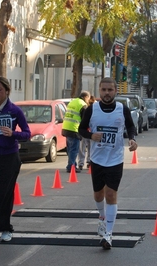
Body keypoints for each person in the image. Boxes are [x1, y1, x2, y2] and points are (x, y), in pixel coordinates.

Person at [79, 77, 137, 250]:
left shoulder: (122, 109)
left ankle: (108, 234)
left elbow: (131, 127)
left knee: (111, 194)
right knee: (98, 195)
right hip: (97, 159)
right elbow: (81, 129)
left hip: (115, 158)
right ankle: (103, 217)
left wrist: (132, 140)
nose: (106, 93)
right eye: (103, 90)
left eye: (110, 90)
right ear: (99, 91)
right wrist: (91, 136)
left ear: (115, 91)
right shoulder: (91, 110)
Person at [0, 76, 31, 242]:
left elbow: (27, 134)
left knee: (5, 193)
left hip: (10, 156)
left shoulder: (15, 111)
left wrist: (13, 134)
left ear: (7, 91)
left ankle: (5, 228)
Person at [62, 91, 91, 173]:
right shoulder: (82, 104)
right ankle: (71, 167)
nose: (88, 101)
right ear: (85, 97)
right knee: (74, 149)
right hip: (74, 129)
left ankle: (72, 165)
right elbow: (84, 119)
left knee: (70, 149)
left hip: (66, 127)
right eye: (88, 99)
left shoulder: (73, 102)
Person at [77, 95, 96, 170]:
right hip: (87, 131)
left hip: (88, 132)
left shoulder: (90, 109)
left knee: (83, 147)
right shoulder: (87, 109)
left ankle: (83, 162)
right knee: (88, 147)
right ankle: (87, 162)